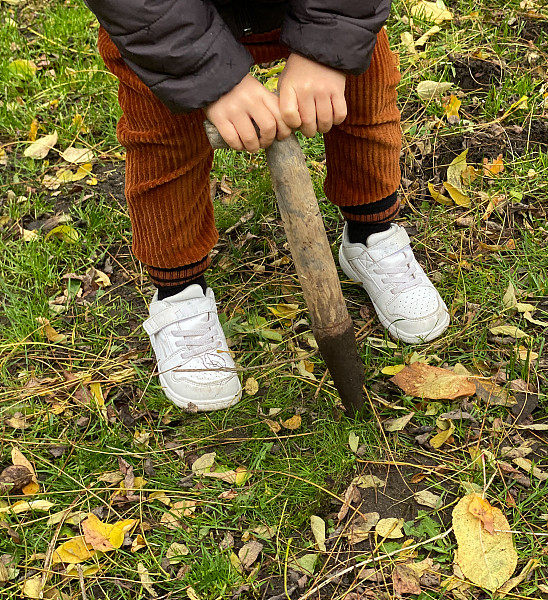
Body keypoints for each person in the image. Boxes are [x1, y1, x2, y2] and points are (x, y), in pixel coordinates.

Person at [85, 0, 450, 411]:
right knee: (164, 135)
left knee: (362, 84)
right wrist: (206, 74)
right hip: (165, 27)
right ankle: (178, 291)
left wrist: (329, 41)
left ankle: (371, 232)